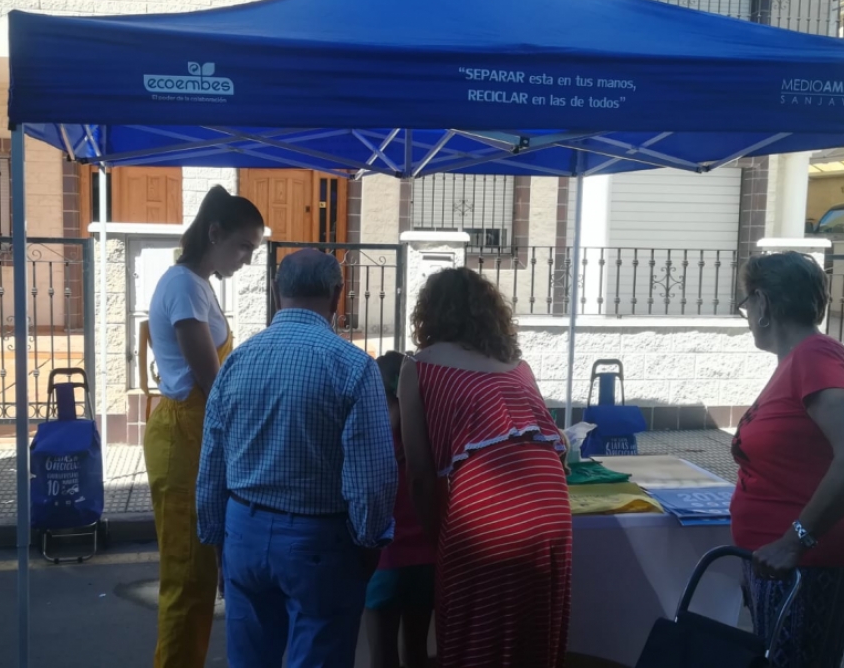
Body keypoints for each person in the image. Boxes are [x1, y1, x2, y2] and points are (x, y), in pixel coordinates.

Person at [196, 248, 398, 668]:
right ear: (337, 294)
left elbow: (211, 464)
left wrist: (218, 542)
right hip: (319, 540)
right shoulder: (355, 367)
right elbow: (372, 479)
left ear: (276, 291)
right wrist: (368, 542)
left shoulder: (236, 362)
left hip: (244, 531)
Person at [398, 267, 572, 668]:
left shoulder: (419, 367)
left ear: (429, 313)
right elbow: (555, 447)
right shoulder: (518, 368)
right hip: (551, 509)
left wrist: (438, 538)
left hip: (485, 512)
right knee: (533, 639)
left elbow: (420, 475)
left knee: (472, 636)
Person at [732, 251, 844, 668]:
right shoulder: (798, 361)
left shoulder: (815, 357)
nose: (747, 316)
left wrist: (794, 540)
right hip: (782, 565)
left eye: (746, 303)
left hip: (808, 566)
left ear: (763, 303)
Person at [143, 185, 264, 668]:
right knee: (187, 579)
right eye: (243, 246)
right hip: (183, 437)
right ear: (214, 233)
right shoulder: (184, 286)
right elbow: (212, 383)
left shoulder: (197, 283)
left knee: (198, 575)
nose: (247, 260)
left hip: (196, 435)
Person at [365, 351, 435, 668]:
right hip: (426, 560)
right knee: (417, 651)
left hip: (385, 562)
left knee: (382, 654)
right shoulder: (426, 442)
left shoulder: (372, 443)